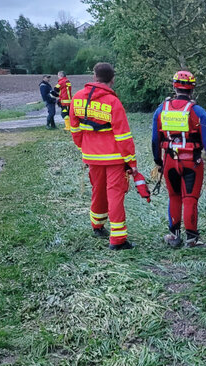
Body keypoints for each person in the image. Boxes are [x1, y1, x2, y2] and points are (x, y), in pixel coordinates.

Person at [69, 62, 138, 250]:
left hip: (92, 156)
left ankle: (97, 226)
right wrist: (131, 161)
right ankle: (118, 240)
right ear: (112, 79)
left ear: (94, 77)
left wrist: (84, 146)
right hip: (114, 157)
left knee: (98, 190)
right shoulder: (113, 102)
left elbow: (74, 128)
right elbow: (123, 136)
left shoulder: (77, 98)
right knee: (115, 194)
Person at [150, 70, 206, 248]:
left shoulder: (161, 110)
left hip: (169, 161)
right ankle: (192, 239)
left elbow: (155, 139)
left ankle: (174, 236)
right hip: (192, 161)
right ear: (192, 89)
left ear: (174, 86)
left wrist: (158, 160)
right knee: (190, 198)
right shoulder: (197, 111)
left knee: (174, 197)